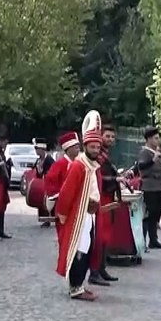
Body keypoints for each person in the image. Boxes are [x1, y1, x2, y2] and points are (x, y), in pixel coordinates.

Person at [54, 112, 105, 301]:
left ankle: (80, 284)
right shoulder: (78, 165)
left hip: (90, 214)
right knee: (80, 250)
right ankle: (75, 287)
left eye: (97, 147)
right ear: (86, 147)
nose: (95, 149)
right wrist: (63, 213)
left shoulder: (93, 165)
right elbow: (67, 192)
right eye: (92, 146)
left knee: (88, 248)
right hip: (79, 215)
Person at [91, 125, 121, 285]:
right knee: (99, 235)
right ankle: (94, 272)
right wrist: (115, 180)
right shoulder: (98, 155)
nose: (110, 139)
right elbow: (97, 177)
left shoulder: (104, 154)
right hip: (100, 197)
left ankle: (101, 269)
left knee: (105, 236)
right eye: (107, 136)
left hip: (107, 196)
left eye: (112, 137)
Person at [134, 126, 161, 249]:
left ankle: (153, 240)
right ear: (148, 139)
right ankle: (142, 240)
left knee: (155, 214)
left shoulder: (158, 152)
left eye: (158, 138)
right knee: (148, 214)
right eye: (155, 138)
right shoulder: (145, 152)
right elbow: (141, 167)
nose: (158, 141)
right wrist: (152, 160)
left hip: (159, 186)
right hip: (149, 187)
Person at [30, 139, 55, 227]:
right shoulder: (39, 160)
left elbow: (53, 171)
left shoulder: (49, 159)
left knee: (47, 202)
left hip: (48, 184)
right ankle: (44, 218)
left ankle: (48, 219)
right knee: (41, 201)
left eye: (37, 150)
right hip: (41, 184)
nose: (36, 151)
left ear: (42, 150)